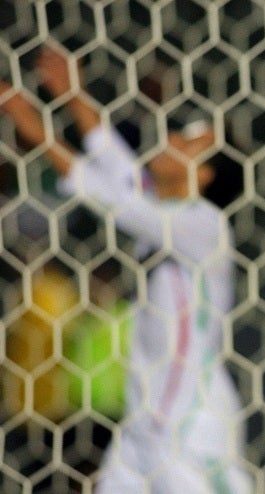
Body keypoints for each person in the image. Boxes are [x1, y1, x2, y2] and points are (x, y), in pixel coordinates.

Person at [0, 47, 251, 493]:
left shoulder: (204, 226)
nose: (170, 138)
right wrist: (72, 94)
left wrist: (35, 130)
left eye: (188, 142)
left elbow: (114, 198)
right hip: (141, 427)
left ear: (205, 175)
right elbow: (120, 171)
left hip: (192, 429)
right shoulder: (163, 212)